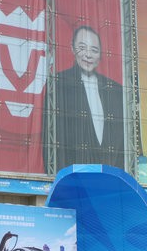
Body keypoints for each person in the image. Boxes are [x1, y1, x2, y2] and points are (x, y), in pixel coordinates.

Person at [42, 25, 125, 173]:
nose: (88, 55)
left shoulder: (115, 89)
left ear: (100, 55)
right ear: (72, 48)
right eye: (82, 48)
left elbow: (122, 141)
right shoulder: (58, 83)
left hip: (108, 174)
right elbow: (51, 136)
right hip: (73, 174)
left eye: (94, 50)